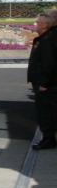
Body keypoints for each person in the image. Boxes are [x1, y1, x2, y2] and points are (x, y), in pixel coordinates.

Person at [28, 10, 57, 150]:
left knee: (46, 113)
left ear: (45, 25)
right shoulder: (45, 38)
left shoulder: (47, 40)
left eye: (38, 22)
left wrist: (44, 83)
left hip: (45, 85)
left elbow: (49, 63)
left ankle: (48, 139)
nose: (35, 24)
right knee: (47, 112)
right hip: (44, 83)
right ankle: (48, 138)